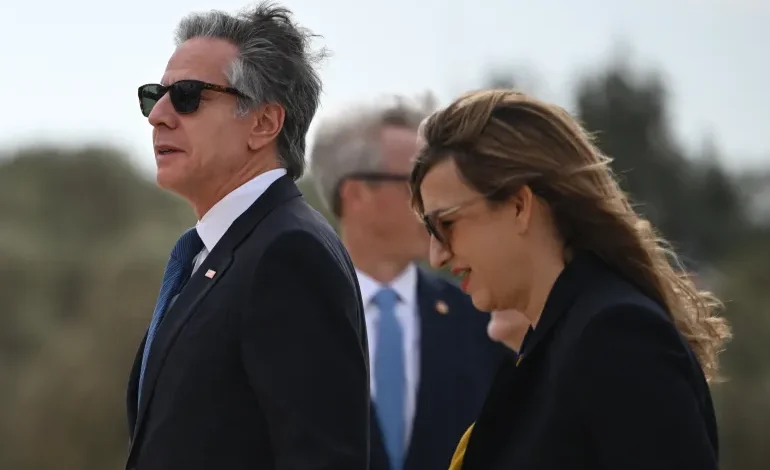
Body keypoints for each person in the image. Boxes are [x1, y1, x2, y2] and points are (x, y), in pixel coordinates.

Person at [408, 89, 732, 470]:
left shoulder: (616, 335)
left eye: (446, 223)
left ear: (518, 206)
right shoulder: (556, 343)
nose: (437, 254)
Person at [125, 4, 369, 470]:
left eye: (188, 95)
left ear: (263, 123)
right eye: (155, 95)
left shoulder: (288, 253)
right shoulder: (213, 253)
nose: (157, 115)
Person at [309, 98, 514, 470]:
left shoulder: (486, 322)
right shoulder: (290, 320)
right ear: (355, 193)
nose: (438, 205)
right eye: (416, 183)